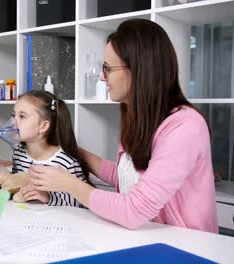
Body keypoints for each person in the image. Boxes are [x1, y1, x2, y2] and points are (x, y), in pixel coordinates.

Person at [29, 19, 218, 233]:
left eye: (107, 68)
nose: (102, 76)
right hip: (149, 238)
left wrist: (69, 184)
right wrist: (72, 149)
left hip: (189, 247)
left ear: (138, 70)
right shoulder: (137, 117)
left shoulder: (185, 127)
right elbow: (125, 175)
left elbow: (134, 210)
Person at [11, 90, 92, 207]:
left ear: (43, 126)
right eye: (13, 115)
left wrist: (49, 197)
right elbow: (15, 184)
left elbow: (82, 204)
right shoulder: (18, 154)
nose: (13, 122)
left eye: (22, 116)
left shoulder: (66, 162)